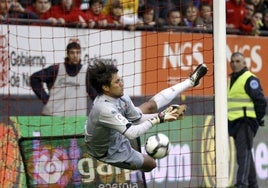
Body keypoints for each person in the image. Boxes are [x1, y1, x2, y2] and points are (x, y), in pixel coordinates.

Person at [84, 61, 208, 172]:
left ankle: (190, 82)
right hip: (107, 151)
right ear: (105, 87)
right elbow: (132, 133)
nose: (122, 84)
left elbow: (137, 119)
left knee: (149, 107)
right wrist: (160, 118)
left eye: (120, 79)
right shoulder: (103, 109)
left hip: (115, 131)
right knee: (151, 164)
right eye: (117, 82)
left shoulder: (122, 98)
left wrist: (166, 115)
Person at [228, 52, 266, 187]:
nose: (234, 64)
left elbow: (261, 101)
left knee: (242, 156)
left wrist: (257, 119)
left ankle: (241, 184)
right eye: (232, 61)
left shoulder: (249, 79)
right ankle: (253, 184)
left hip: (245, 122)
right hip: (234, 123)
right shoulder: (231, 79)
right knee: (246, 154)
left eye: (238, 61)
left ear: (245, 63)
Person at [30, 41, 97, 116]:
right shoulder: (56, 69)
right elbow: (34, 78)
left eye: (78, 53)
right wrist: (46, 99)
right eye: (72, 53)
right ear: (67, 54)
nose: (75, 55)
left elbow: (94, 95)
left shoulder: (86, 72)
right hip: (53, 115)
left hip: (76, 119)